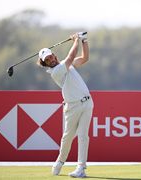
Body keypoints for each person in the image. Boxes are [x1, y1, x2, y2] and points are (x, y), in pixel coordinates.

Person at [37, 32, 93, 178]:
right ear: (45, 64)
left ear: (54, 55)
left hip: (87, 103)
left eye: (50, 56)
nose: (50, 60)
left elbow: (85, 58)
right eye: (46, 60)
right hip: (72, 107)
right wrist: (76, 40)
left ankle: (81, 168)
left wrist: (84, 41)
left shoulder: (65, 65)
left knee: (83, 136)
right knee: (67, 137)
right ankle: (60, 161)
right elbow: (70, 57)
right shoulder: (56, 71)